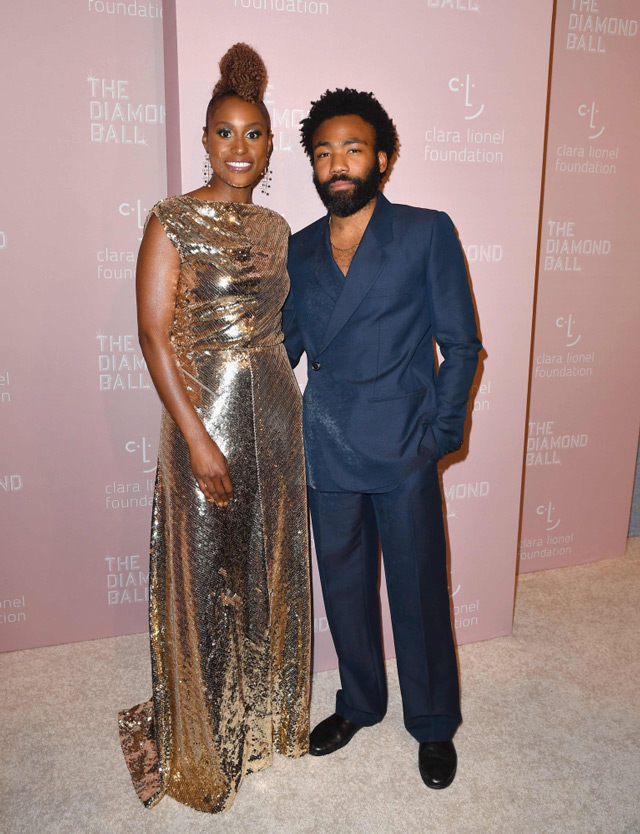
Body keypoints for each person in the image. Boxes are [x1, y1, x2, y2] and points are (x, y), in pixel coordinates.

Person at [118, 43, 310, 814]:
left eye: (253, 134)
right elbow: (152, 336)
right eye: (225, 132)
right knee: (205, 576)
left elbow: (279, 328)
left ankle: (261, 722)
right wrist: (197, 438)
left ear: (269, 145)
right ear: (205, 138)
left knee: (267, 566)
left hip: (276, 414)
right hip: (202, 419)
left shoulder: (277, 228)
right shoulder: (171, 220)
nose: (240, 147)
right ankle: (204, 742)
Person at [283, 88, 481, 790]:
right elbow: (283, 351)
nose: (337, 164)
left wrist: (440, 435)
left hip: (403, 446)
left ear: (384, 159)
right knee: (344, 588)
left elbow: (461, 344)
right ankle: (360, 702)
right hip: (327, 446)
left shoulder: (425, 232)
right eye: (324, 153)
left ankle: (433, 721)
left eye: (353, 149)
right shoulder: (298, 248)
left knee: (418, 589)